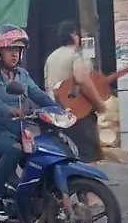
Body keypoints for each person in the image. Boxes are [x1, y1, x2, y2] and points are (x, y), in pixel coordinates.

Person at [0, 25, 59, 222]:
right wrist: (8, 109)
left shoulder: (22, 75)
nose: (15, 54)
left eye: (18, 50)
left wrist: (58, 108)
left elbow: (36, 93)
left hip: (18, 128)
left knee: (41, 151)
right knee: (14, 150)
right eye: (10, 49)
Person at [44, 20, 106, 162]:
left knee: (67, 155)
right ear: (73, 35)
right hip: (79, 115)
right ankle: (88, 184)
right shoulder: (76, 55)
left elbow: (48, 86)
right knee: (87, 156)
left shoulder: (50, 58)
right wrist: (98, 103)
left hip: (57, 115)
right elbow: (83, 80)